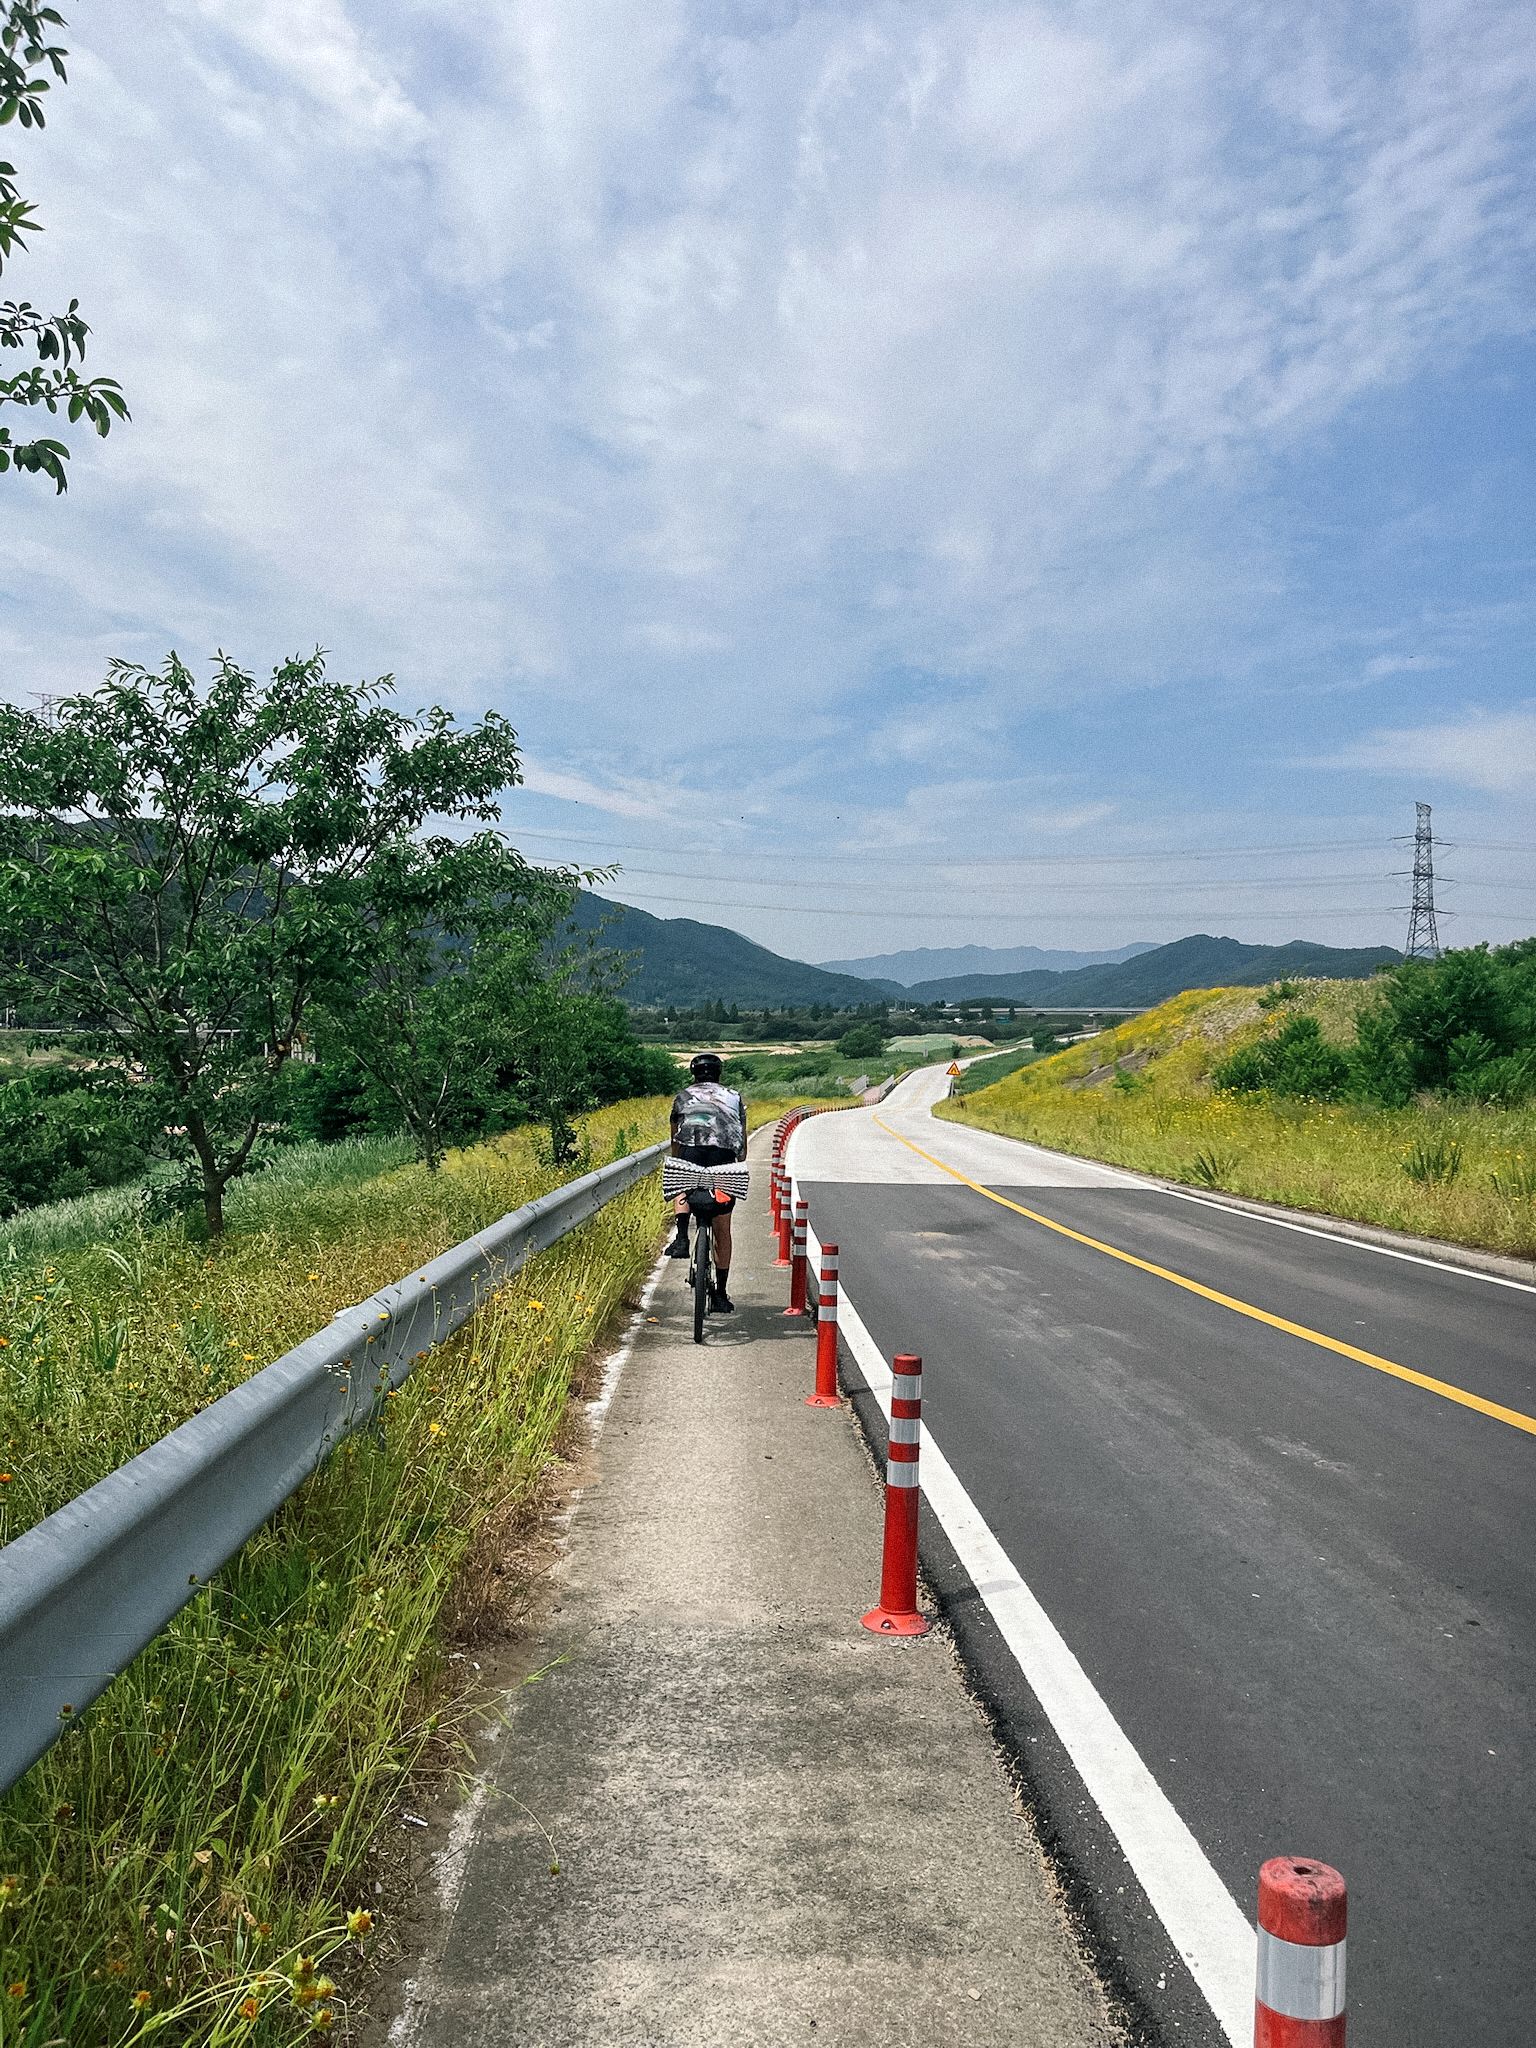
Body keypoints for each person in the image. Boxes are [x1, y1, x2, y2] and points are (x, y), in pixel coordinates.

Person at [665, 1051, 747, 1312]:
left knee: (681, 1176)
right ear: (719, 1074)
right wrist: (738, 1159)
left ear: (694, 1074)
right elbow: (741, 1144)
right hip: (723, 1157)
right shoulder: (734, 1097)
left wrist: (679, 1160)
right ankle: (720, 1294)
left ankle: (681, 1237)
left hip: (691, 1152)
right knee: (722, 1228)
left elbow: (675, 1140)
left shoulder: (682, 1097)